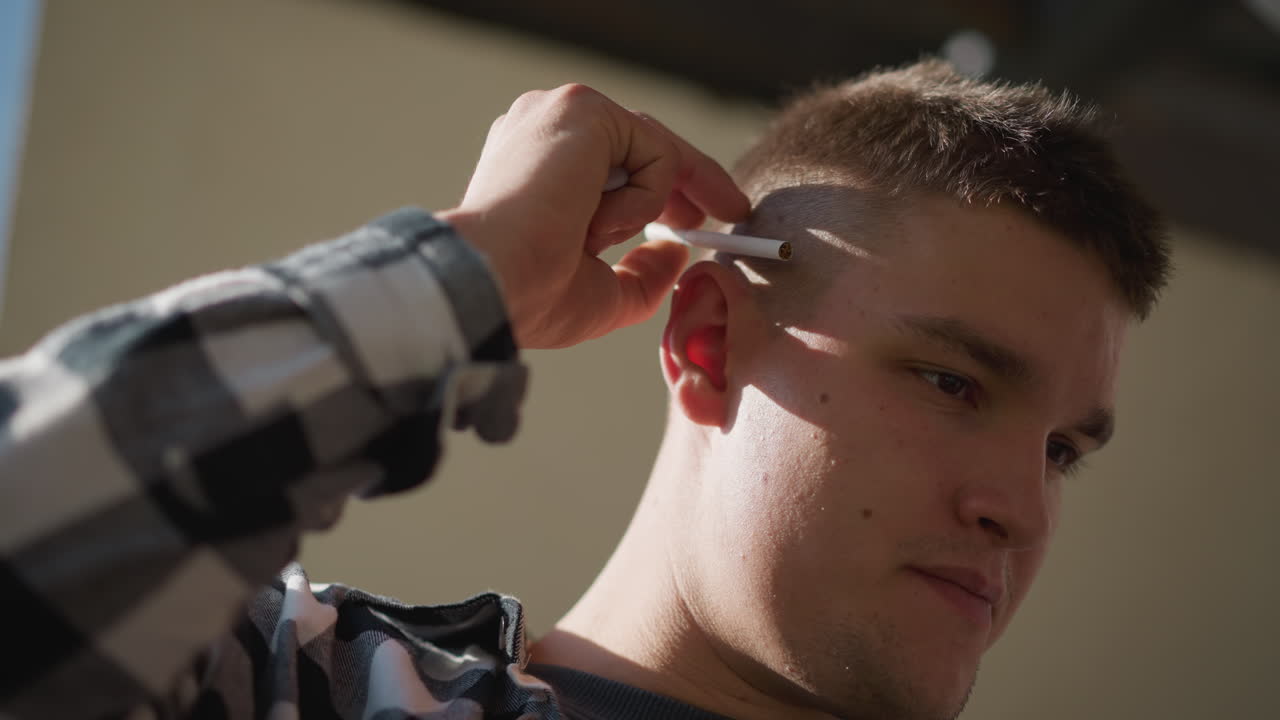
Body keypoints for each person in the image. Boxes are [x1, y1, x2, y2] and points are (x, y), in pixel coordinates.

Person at [0, 59, 1170, 720]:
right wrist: (462, 272)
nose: (1020, 509)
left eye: (1064, 448)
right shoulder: (298, 690)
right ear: (706, 343)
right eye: (952, 383)